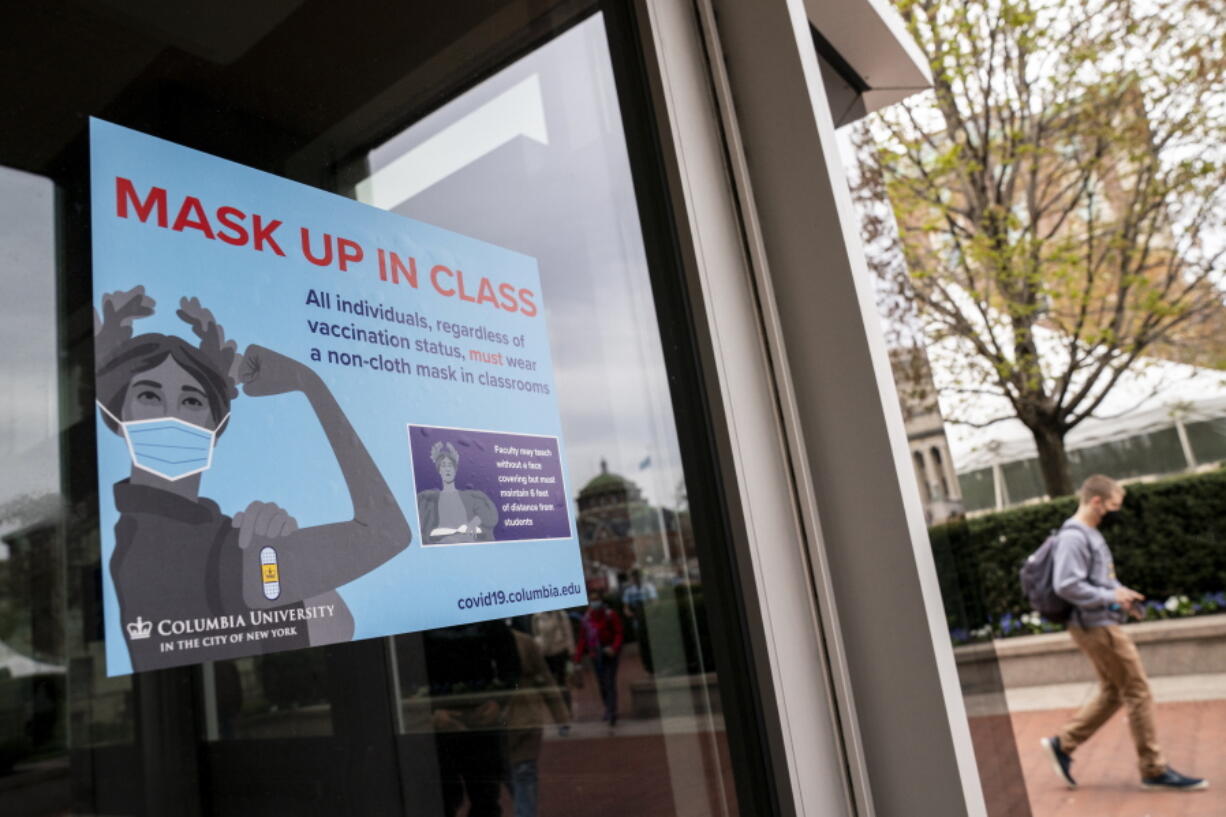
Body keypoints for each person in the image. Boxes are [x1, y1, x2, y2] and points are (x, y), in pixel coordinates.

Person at [94, 287, 411, 671]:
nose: (171, 416)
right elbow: (387, 533)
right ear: (116, 413)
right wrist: (310, 384)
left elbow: (336, 626)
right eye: (149, 395)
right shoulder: (188, 546)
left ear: (217, 423)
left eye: (192, 401)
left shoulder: (201, 534)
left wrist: (282, 559)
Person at [1040, 474, 1207, 792]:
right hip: (1094, 625)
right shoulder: (1074, 537)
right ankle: (1153, 769)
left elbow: (1099, 579)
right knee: (1138, 691)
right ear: (1096, 502)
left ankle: (1063, 744)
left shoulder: (1089, 534)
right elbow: (1066, 584)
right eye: (1112, 506)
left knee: (1113, 691)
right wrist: (1109, 597)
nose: (1115, 512)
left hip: (1099, 620)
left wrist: (1121, 593)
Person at [507, 626, 570, 817]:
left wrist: (561, 718)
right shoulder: (522, 641)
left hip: (523, 721)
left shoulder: (524, 642)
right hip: (511, 721)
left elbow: (545, 679)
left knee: (522, 774)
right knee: (518, 777)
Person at [417, 440, 498, 544]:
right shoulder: (428, 499)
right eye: (443, 465)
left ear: (455, 469)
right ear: (439, 470)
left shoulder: (471, 497)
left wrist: (474, 522)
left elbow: (490, 514)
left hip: (468, 543)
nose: (447, 469)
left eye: (450, 465)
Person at [574, 591, 623, 728]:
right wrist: (578, 658)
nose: (594, 603)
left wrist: (614, 647)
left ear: (601, 601)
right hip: (596, 655)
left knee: (610, 682)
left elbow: (618, 632)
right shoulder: (587, 618)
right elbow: (583, 639)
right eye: (592, 600)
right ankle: (608, 708)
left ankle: (612, 711)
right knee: (602, 683)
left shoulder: (610, 615)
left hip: (609, 652)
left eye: (596, 600)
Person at [531, 608, 575, 707]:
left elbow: (568, 634)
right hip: (546, 655)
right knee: (550, 684)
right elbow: (536, 635)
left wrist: (572, 653)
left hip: (560, 653)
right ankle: (557, 708)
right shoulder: (536, 617)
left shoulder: (560, 614)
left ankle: (567, 708)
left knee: (562, 682)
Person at [620, 568, 657, 673]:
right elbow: (625, 608)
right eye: (634, 576)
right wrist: (630, 614)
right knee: (642, 644)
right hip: (637, 621)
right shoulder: (629, 591)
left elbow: (654, 603)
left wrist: (649, 613)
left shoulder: (649, 588)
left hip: (649, 620)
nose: (636, 578)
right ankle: (647, 666)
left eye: (638, 576)